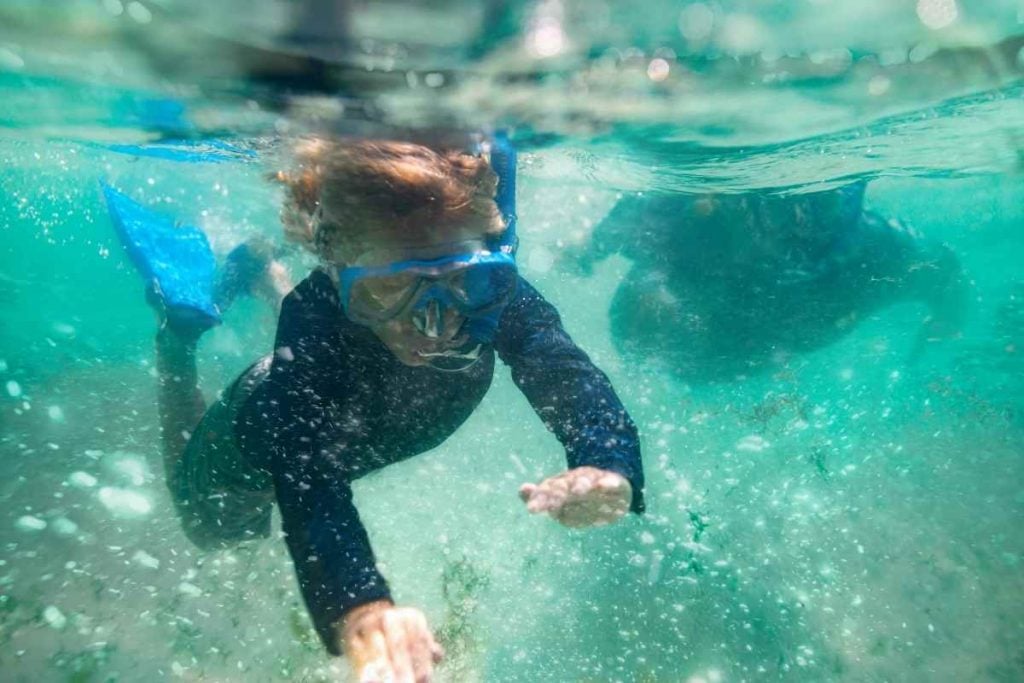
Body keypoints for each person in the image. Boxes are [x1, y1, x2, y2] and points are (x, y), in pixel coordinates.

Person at [105, 135, 644, 682]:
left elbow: (563, 372)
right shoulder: (313, 318)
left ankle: (261, 271)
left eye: (461, 279)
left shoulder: (499, 295)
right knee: (210, 529)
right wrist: (361, 608)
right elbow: (309, 477)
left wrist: (606, 461)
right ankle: (176, 339)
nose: (434, 324)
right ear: (336, 273)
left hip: (348, 407)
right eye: (388, 291)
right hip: (260, 430)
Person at [569, 181, 967, 383]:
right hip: (768, 314)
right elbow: (941, 267)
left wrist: (584, 251)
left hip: (768, 317)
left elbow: (942, 269)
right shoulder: (845, 268)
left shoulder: (850, 262)